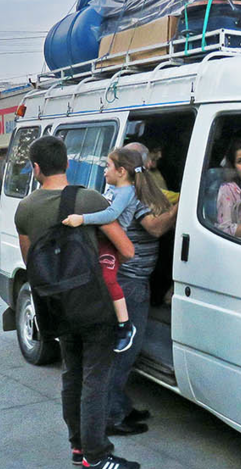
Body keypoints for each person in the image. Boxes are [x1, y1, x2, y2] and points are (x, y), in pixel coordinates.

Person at [15, 134, 140, 469]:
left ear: (36, 168)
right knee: (96, 378)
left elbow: (30, 260)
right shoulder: (88, 199)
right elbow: (127, 250)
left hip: (55, 304)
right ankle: (96, 456)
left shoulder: (24, 208)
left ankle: (78, 446)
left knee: (72, 373)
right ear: (68, 163)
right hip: (92, 302)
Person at [62, 146, 170, 355]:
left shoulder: (127, 191)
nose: (103, 170)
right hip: (102, 240)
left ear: (121, 171)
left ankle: (124, 326)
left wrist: (82, 219)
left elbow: (110, 214)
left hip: (112, 245)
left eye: (107, 166)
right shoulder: (114, 188)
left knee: (108, 279)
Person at [103, 141, 178, 434]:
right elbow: (155, 228)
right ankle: (111, 418)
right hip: (129, 282)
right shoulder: (133, 195)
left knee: (127, 350)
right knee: (125, 352)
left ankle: (120, 407)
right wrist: (181, 205)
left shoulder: (135, 192)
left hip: (133, 280)